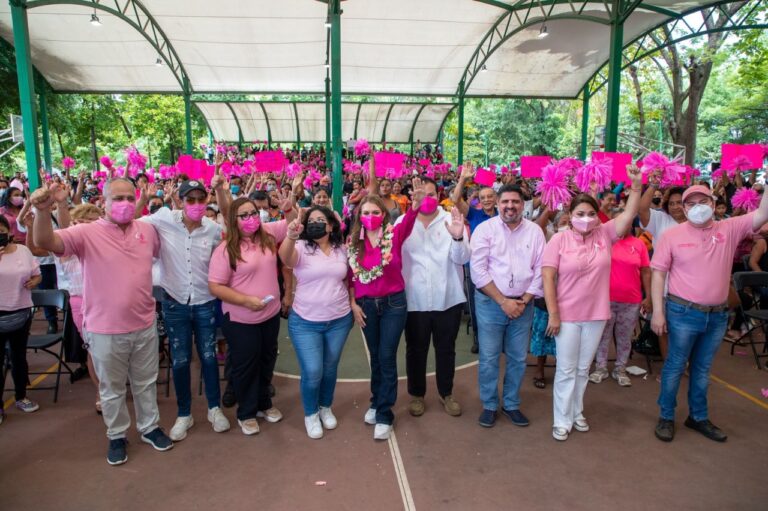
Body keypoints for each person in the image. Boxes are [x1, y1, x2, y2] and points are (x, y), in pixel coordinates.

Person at [32, 178, 173, 466]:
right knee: (111, 387)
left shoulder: (146, 229)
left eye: (128, 198)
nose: (123, 204)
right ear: (104, 202)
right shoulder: (84, 233)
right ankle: (117, 434)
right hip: (104, 328)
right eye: (117, 198)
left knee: (145, 382)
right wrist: (44, 211)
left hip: (144, 322)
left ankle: (149, 427)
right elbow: (45, 242)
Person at [650, 185, 768, 443]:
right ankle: (666, 417)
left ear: (714, 204)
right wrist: (658, 312)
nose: (697, 207)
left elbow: (762, 214)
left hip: (717, 315)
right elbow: (658, 273)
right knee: (674, 367)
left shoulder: (729, 227)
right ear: (684, 207)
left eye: (703, 201)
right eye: (691, 203)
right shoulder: (672, 235)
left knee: (702, 369)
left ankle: (698, 417)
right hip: (682, 312)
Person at [542, 165, 642, 442]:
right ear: (570, 216)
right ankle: (561, 419)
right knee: (565, 368)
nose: (585, 219)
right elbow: (548, 277)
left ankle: (576, 412)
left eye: (589, 214)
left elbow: (630, 213)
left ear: (597, 216)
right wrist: (554, 314)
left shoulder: (605, 235)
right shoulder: (559, 240)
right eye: (579, 214)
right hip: (567, 315)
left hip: (597, 315)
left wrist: (635, 186)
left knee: (583, 369)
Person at [141, 177, 231, 441]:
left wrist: (220, 190)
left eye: (200, 199)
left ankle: (214, 409)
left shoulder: (212, 229)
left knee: (209, 356)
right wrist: (141, 200)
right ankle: (184, 413)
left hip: (205, 302)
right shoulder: (162, 219)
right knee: (179, 359)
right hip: (174, 303)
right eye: (189, 199)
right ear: (179, 200)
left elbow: (223, 253)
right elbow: (130, 223)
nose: (195, 204)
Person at [208, 194, 296, 436]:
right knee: (246, 365)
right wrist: (246, 300)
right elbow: (216, 286)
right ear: (233, 219)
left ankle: (263, 403)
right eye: (243, 215)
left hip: (270, 315)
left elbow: (293, 224)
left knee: (267, 359)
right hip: (240, 319)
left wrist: (288, 209)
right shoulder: (226, 249)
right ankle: (246, 412)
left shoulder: (267, 234)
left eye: (253, 213)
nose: (250, 219)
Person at [348, 177, 425, 440]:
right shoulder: (353, 243)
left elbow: (412, 217)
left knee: (386, 355)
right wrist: (353, 305)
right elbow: (351, 277)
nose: (370, 216)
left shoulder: (394, 234)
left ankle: (384, 413)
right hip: (366, 305)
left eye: (375, 212)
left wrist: (415, 202)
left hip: (394, 303)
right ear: (360, 215)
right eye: (366, 213)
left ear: (384, 214)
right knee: (376, 358)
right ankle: (375, 400)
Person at [470, 184, 545, 428]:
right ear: (497, 204)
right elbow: (478, 271)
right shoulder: (484, 230)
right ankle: (490, 405)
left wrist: (523, 301)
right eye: (505, 202)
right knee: (489, 357)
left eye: (515, 202)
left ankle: (511, 403)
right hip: (491, 303)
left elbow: (541, 270)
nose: (510, 206)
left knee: (517, 358)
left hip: (523, 305)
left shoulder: (535, 232)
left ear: (523, 205)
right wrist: (503, 301)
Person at [398, 178, 470, 418]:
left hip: (447, 298)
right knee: (415, 350)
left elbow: (462, 259)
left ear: (438, 195)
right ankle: (417, 394)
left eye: (431, 194)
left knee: (446, 349)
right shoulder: (402, 223)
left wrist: (458, 238)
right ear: (412, 196)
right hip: (414, 299)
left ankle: (446, 392)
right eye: (421, 194)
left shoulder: (452, 219)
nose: (426, 199)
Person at [279, 206, 353, 439]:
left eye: (321, 220)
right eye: (311, 220)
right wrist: (291, 235)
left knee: (330, 368)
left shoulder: (342, 249)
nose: (316, 224)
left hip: (339, 320)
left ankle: (325, 407)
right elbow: (285, 258)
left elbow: (350, 278)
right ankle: (311, 414)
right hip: (305, 322)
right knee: (313, 371)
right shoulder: (300, 247)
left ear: (331, 226)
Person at [589, 208, 652, 387]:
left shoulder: (639, 244)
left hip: (631, 301)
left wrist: (648, 297)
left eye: (624, 222)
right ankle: (600, 367)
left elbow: (646, 272)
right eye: (617, 222)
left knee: (624, 337)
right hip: (605, 299)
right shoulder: (605, 241)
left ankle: (620, 369)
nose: (621, 226)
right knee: (602, 336)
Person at [451, 163, 498, 353]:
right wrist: (463, 178)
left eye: (490, 197)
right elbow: (455, 199)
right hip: (475, 267)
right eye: (483, 197)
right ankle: (479, 338)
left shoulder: (503, 216)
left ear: (496, 199)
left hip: (497, 267)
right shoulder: (474, 213)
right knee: (477, 306)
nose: (486, 200)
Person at [0, 214, 42, 425]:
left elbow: (37, 273)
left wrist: (35, 281)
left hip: (21, 311)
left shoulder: (23, 250)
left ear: (8, 232)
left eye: (1, 232)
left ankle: (21, 396)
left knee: (18, 358)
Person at [530, 209, 570, 389]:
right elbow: (539, 225)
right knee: (542, 332)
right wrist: (549, 205)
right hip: (546, 296)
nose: (567, 226)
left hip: (570, 297)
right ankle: (539, 368)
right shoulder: (550, 237)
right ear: (554, 225)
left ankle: (564, 371)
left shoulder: (579, 239)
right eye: (563, 222)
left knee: (566, 337)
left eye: (569, 223)